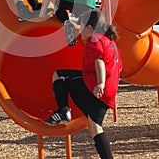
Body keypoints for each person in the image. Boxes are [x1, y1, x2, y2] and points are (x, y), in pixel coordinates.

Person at [45, 9, 122, 159]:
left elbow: (98, 61)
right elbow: (119, 67)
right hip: (109, 93)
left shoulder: (94, 40)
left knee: (59, 75)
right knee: (95, 128)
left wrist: (100, 83)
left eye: (81, 27)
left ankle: (63, 110)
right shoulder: (111, 43)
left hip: (95, 87)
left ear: (89, 28)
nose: (80, 32)